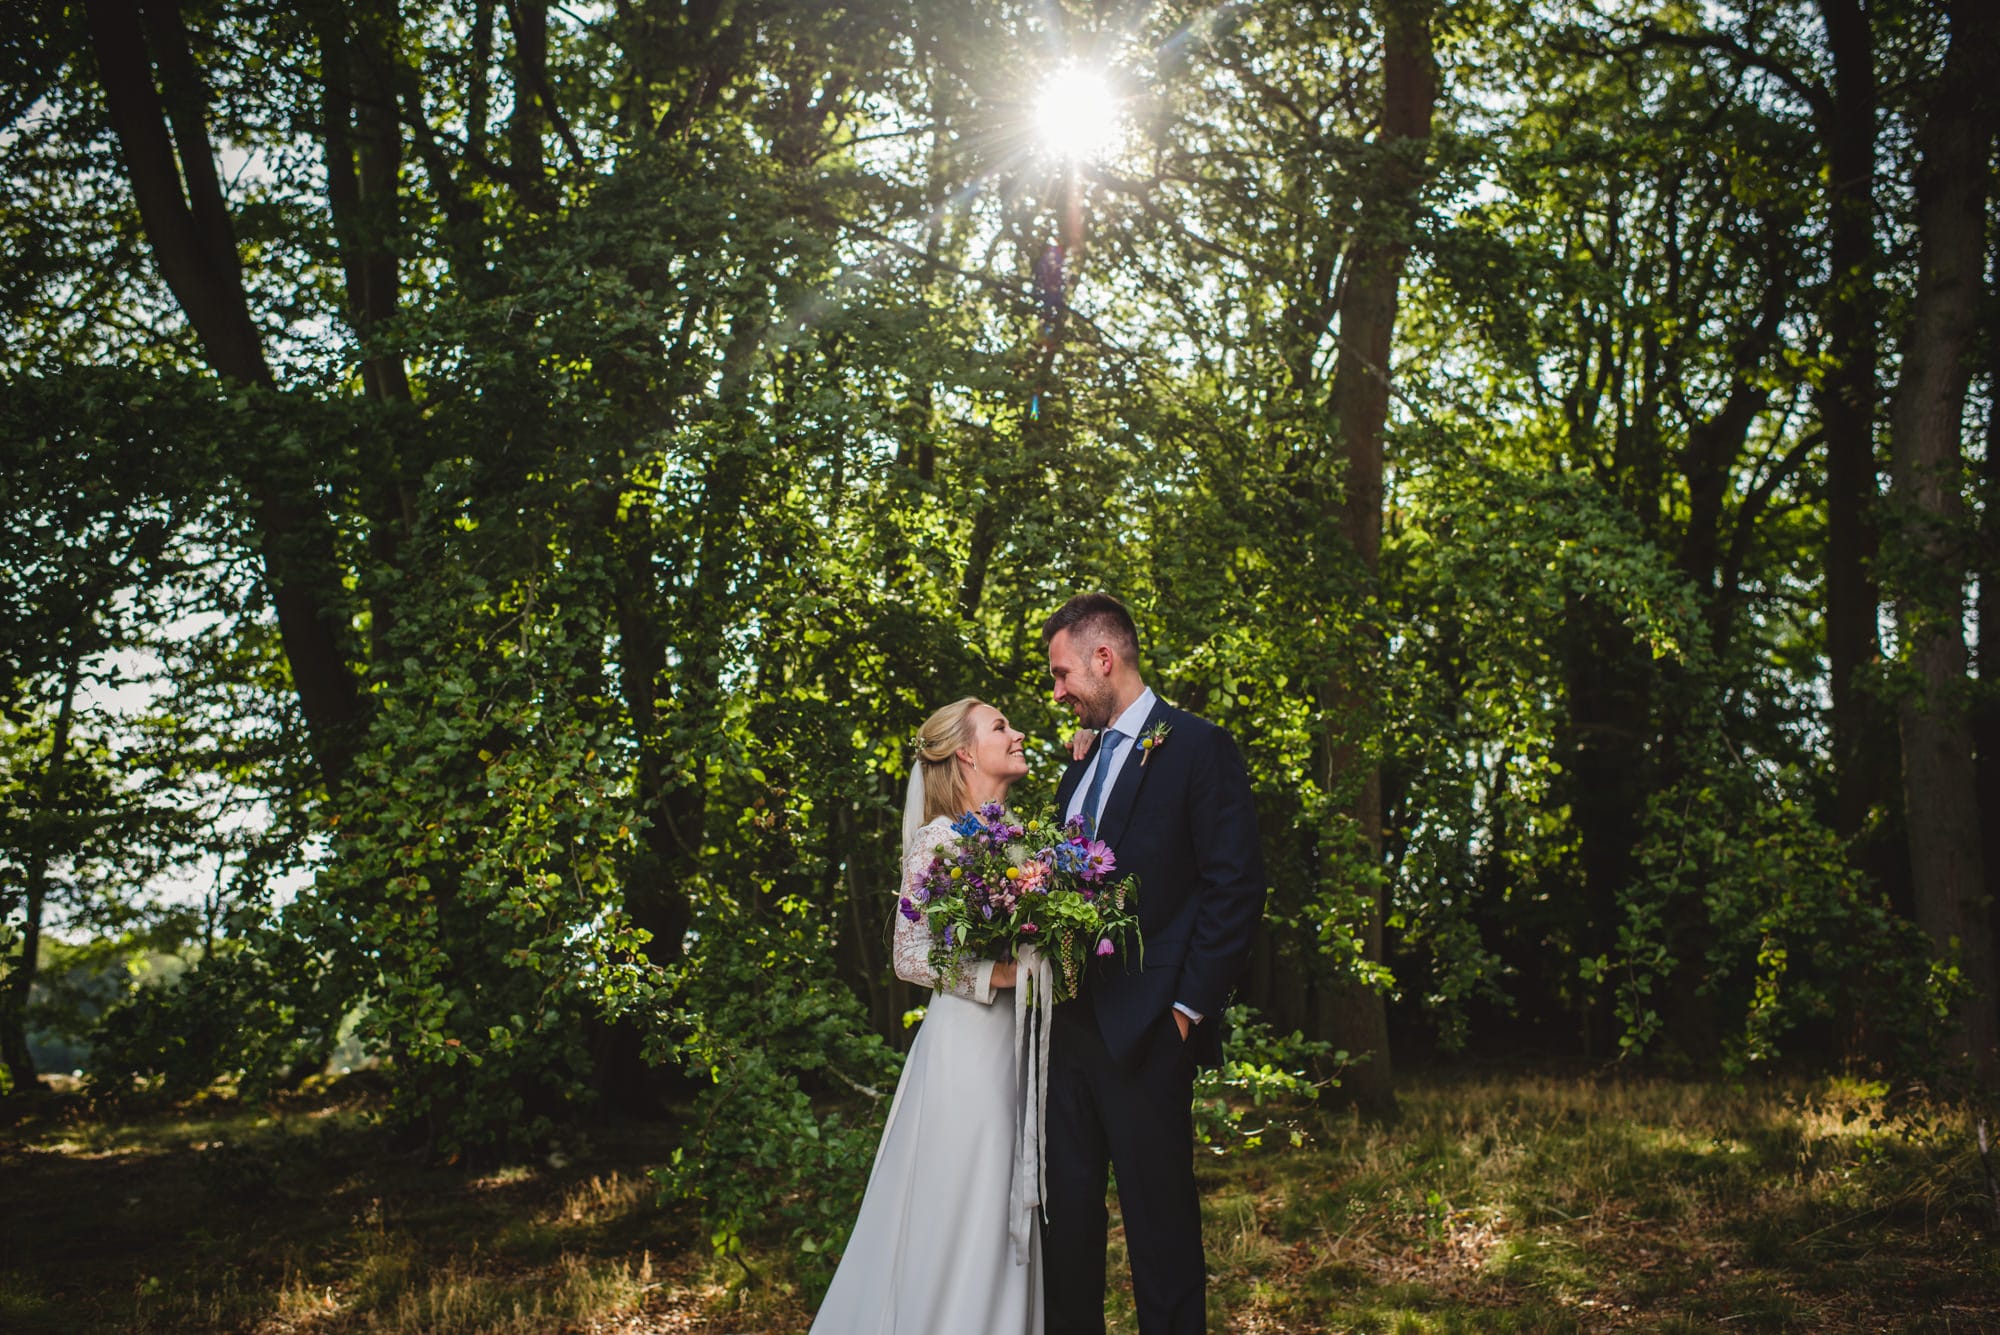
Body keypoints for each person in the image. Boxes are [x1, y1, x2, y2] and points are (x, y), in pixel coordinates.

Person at [1040, 593, 1266, 1335]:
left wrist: (1184, 1010)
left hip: (1148, 1034)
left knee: (1161, 1236)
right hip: (1065, 1034)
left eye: (1063, 672)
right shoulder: (1079, 762)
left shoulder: (1201, 747)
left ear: (1105, 658)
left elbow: (1235, 887)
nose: (1058, 691)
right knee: (1066, 1236)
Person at [811, 696, 1045, 1335]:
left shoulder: (1020, 838)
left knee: (1005, 1200)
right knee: (967, 1196)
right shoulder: (941, 841)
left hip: (1016, 1044)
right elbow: (910, 956)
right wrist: (1000, 974)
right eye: (1002, 726)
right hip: (966, 1048)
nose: (1019, 733)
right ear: (966, 752)